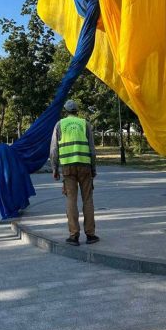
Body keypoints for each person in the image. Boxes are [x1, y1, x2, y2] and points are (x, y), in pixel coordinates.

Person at [50, 100, 98, 246]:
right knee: (87, 199)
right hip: (85, 166)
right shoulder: (85, 124)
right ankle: (90, 235)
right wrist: (93, 168)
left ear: (65, 111)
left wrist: (54, 168)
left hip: (68, 168)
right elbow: (92, 149)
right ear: (77, 111)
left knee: (71, 199)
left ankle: (74, 235)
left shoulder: (59, 125)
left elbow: (53, 149)